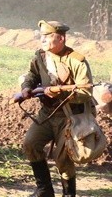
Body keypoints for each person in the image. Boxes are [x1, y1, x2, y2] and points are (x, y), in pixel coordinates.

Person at [19, 20, 94, 197]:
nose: (42, 40)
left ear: (60, 38)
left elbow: (85, 92)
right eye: (41, 36)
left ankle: (69, 194)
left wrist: (59, 94)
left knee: (63, 159)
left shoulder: (77, 61)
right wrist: (26, 87)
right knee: (30, 144)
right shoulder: (41, 56)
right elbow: (32, 75)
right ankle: (44, 190)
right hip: (46, 113)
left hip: (70, 116)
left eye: (47, 36)